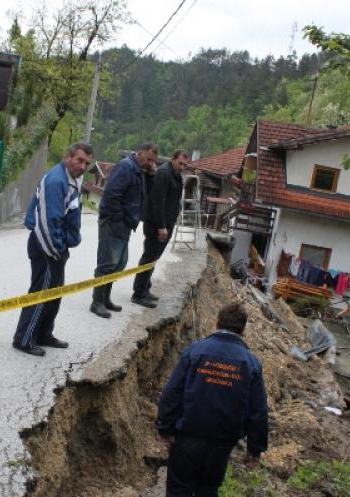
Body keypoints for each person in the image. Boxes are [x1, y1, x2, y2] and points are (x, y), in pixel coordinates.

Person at [157, 303, 268, 497]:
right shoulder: (251, 363)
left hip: (186, 439)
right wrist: (255, 450)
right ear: (243, 329)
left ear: (217, 323)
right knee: (208, 490)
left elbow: (172, 392)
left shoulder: (195, 351)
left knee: (178, 490)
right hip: (221, 445)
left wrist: (165, 429)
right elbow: (257, 412)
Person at [12, 143, 93, 357]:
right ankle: (24, 338)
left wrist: (67, 243)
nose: (83, 166)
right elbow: (48, 222)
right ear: (68, 157)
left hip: (58, 247)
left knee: (54, 293)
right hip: (45, 247)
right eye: (80, 160)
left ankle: (44, 334)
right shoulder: (56, 180)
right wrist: (56, 250)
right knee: (41, 292)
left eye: (87, 162)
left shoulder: (72, 179)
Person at [90, 143, 159, 318]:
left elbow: (147, 194)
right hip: (114, 223)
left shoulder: (140, 171)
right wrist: (121, 218)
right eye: (149, 159)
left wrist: (151, 175)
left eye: (153, 161)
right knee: (107, 263)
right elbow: (112, 195)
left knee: (118, 264)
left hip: (125, 224)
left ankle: (105, 299)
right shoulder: (126, 167)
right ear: (140, 153)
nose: (151, 163)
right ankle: (97, 302)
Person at [132, 149, 188, 307]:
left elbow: (173, 200)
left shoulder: (176, 175)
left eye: (185, 165)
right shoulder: (164, 173)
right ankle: (138, 293)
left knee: (154, 258)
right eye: (180, 163)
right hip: (156, 225)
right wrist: (162, 226)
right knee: (149, 257)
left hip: (167, 224)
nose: (182, 167)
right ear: (173, 159)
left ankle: (145, 287)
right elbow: (158, 202)